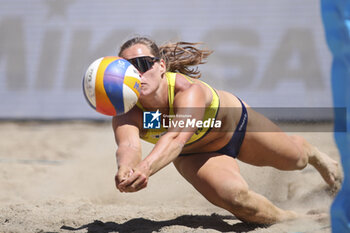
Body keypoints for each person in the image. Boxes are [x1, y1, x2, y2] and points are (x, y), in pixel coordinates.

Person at [112, 36, 342, 224]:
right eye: (127, 68)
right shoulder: (129, 110)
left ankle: (314, 154)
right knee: (236, 199)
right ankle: (291, 217)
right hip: (196, 155)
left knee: (296, 159)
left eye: (142, 64)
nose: (135, 73)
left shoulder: (186, 90)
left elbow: (175, 137)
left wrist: (146, 168)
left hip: (238, 129)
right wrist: (126, 169)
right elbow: (129, 145)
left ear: (161, 65)